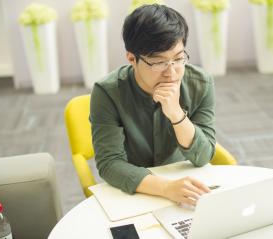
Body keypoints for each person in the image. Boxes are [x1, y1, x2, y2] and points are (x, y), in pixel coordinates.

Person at [90, 4, 215, 206]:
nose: (172, 72)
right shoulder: (107, 92)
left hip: (186, 185)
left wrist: (176, 114)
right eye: (158, 62)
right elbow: (110, 164)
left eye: (179, 58)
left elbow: (203, 156)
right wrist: (166, 188)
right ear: (131, 57)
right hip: (135, 189)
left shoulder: (200, 83)